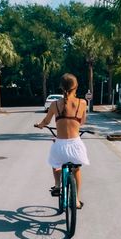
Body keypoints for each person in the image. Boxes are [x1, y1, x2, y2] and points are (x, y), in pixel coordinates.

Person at [34, 73, 89, 209]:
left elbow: (46, 121)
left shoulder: (54, 105)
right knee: (76, 170)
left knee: (55, 162)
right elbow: (82, 122)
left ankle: (58, 185)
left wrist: (40, 125)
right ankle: (76, 199)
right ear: (75, 87)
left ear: (61, 87)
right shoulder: (82, 103)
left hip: (60, 147)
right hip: (76, 146)